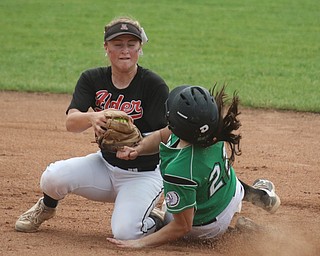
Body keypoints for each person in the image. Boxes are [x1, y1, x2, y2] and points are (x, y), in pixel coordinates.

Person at [15, 16, 169, 240]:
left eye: (131, 44)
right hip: (105, 166)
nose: (125, 51)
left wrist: (138, 147)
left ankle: (156, 215)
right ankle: (46, 207)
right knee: (53, 177)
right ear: (106, 48)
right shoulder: (92, 78)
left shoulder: (153, 84)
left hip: (144, 175)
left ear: (139, 48)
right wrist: (92, 117)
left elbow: (167, 135)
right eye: (118, 45)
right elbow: (71, 122)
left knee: (126, 232)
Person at [107, 85, 280, 248]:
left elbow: (182, 226)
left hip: (206, 226)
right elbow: (162, 135)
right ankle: (259, 196)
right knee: (203, 176)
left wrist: (139, 243)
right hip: (230, 192)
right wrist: (138, 149)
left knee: (166, 212)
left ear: (177, 126)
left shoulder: (180, 169)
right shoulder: (214, 132)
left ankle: (235, 234)